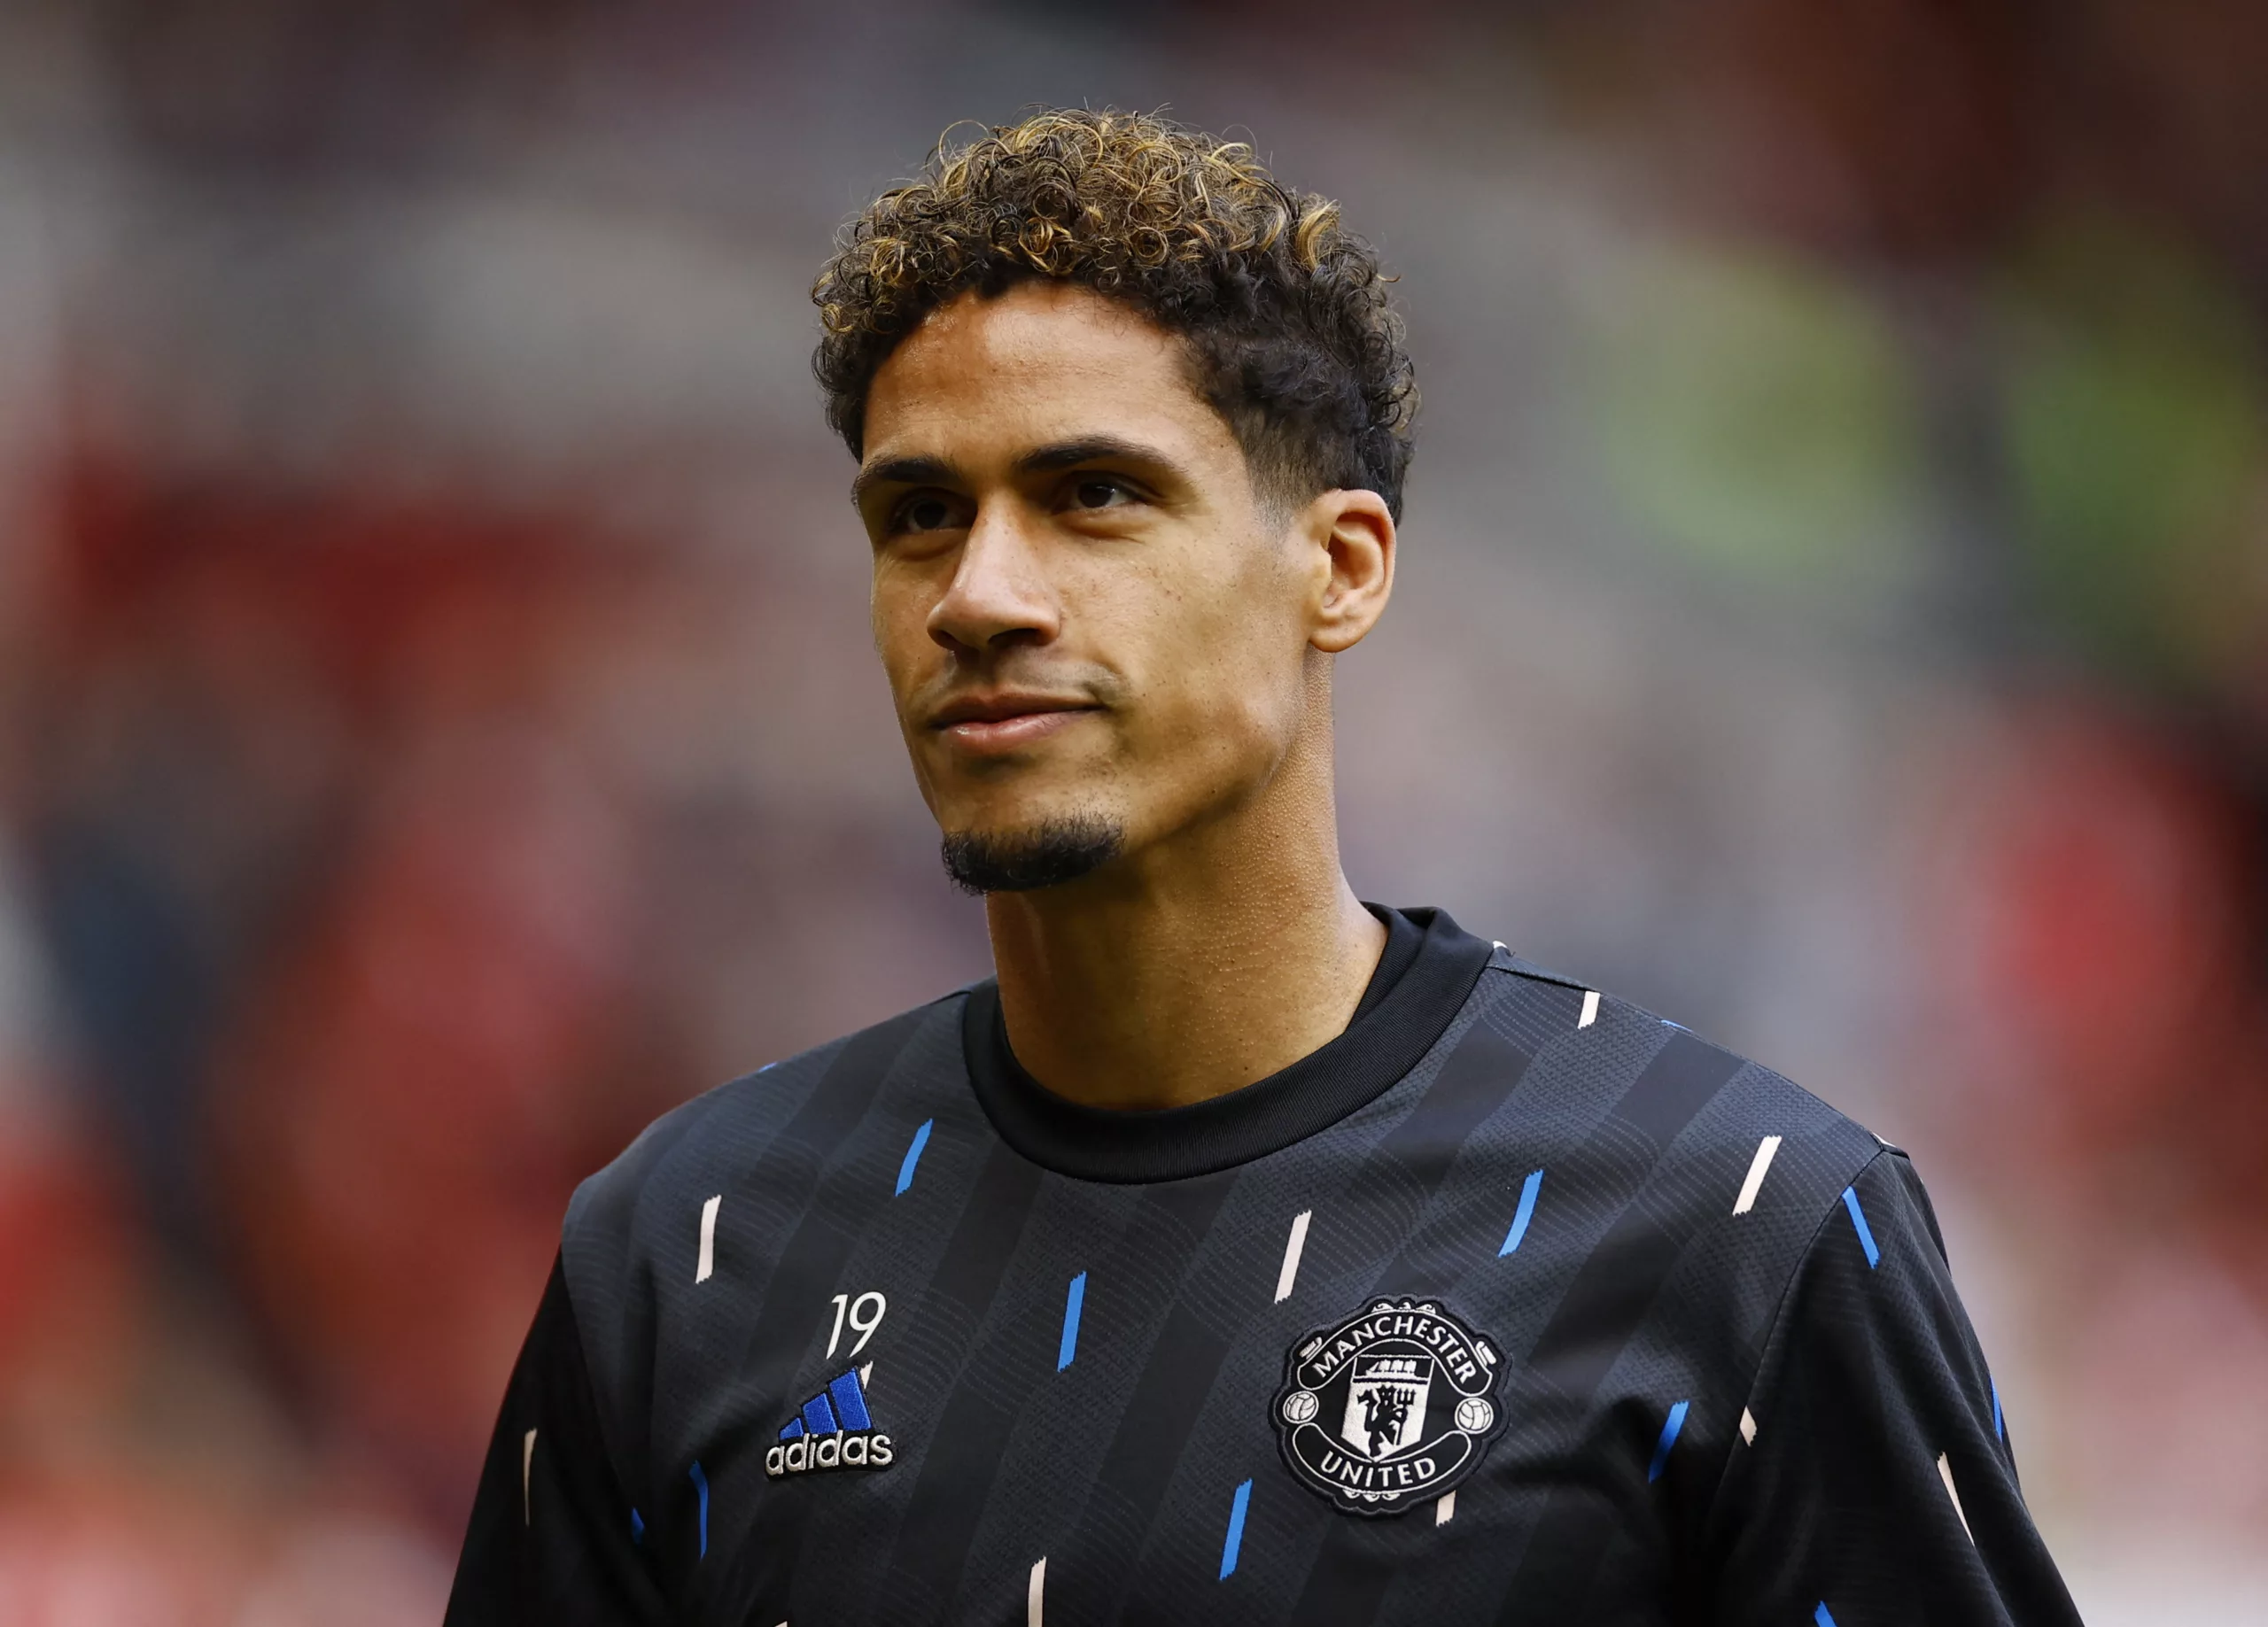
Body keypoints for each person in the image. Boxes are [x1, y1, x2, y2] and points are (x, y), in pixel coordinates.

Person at [445, 108, 2080, 1625]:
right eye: (920, 517)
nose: (980, 596)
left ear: (1340, 567)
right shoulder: (687, 1246)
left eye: (1095, 496)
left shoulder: (1741, 1226)